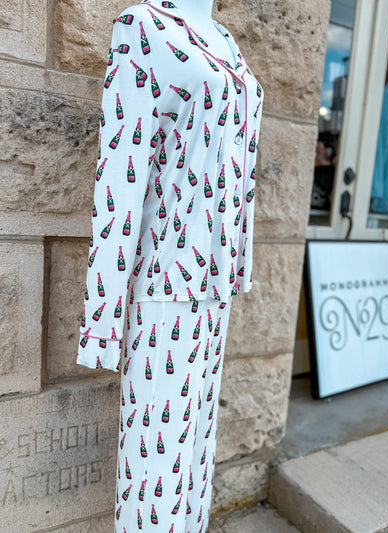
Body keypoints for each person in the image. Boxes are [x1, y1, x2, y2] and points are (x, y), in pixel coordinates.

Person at [75, 0, 264, 530]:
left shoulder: (226, 41)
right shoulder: (142, 27)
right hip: (165, 285)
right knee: (154, 477)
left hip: (214, 288)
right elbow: (120, 173)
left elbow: (241, 166)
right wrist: (102, 320)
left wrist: (237, 263)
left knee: (196, 467)